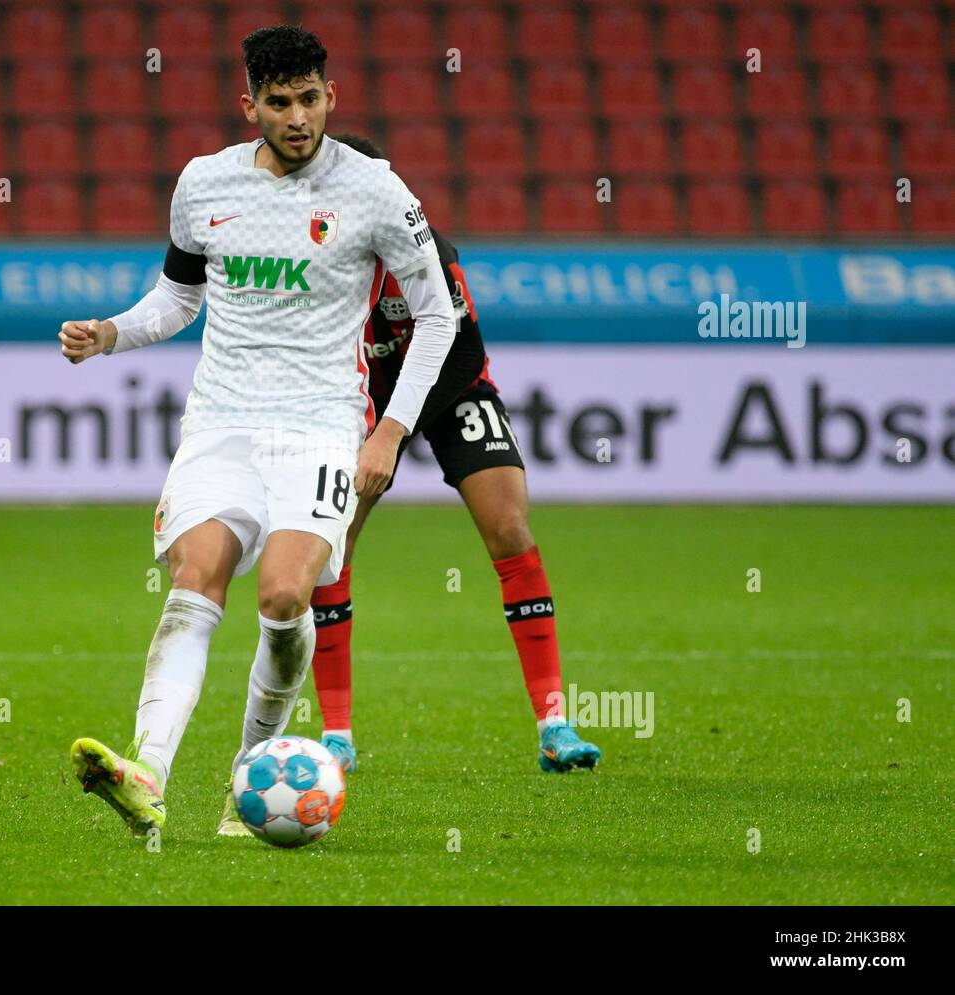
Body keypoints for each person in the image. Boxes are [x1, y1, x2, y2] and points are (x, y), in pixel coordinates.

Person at [57, 28, 456, 839]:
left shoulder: (375, 189)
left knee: (282, 595)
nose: (298, 116)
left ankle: (250, 774)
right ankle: (147, 773)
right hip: (221, 423)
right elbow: (176, 299)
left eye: (310, 98)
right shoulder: (205, 184)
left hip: (319, 427)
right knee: (195, 577)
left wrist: (388, 433)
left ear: (330, 96)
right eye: (279, 102)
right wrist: (111, 333)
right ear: (251, 106)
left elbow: (437, 313)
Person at [305, 134, 602, 779]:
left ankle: (554, 722)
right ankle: (335, 734)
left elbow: (462, 350)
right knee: (331, 547)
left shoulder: (423, 250)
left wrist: (397, 427)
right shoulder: (310, 257)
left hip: (448, 391)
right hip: (356, 404)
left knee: (511, 530)